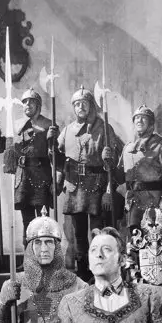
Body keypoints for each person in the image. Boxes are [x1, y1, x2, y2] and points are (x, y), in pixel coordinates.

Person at [56, 86, 123, 282]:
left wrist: (109, 157)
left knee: (97, 232)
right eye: (77, 104)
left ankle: (99, 270)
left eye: (84, 103)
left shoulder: (103, 128)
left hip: (96, 185)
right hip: (74, 186)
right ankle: (82, 271)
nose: (80, 107)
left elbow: (114, 164)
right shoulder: (67, 130)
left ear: (91, 105)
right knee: (77, 234)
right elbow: (59, 159)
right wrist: (52, 145)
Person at [5, 88, 59, 232]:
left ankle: (43, 252)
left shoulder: (48, 125)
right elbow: (10, 154)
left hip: (41, 176)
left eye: (31, 101)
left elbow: (56, 156)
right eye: (24, 102)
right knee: (27, 223)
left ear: (38, 105)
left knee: (43, 221)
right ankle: (29, 252)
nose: (27, 104)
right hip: (22, 176)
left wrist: (51, 141)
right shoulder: (17, 125)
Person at [121, 105, 162, 230]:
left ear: (151, 122)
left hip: (154, 202)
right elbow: (119, 175)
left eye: (143, 118)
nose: (139, 121)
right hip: (133, 202)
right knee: (134, 243)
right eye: (137, 118)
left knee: (154, 243)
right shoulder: (127, 148)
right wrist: (107, 162)